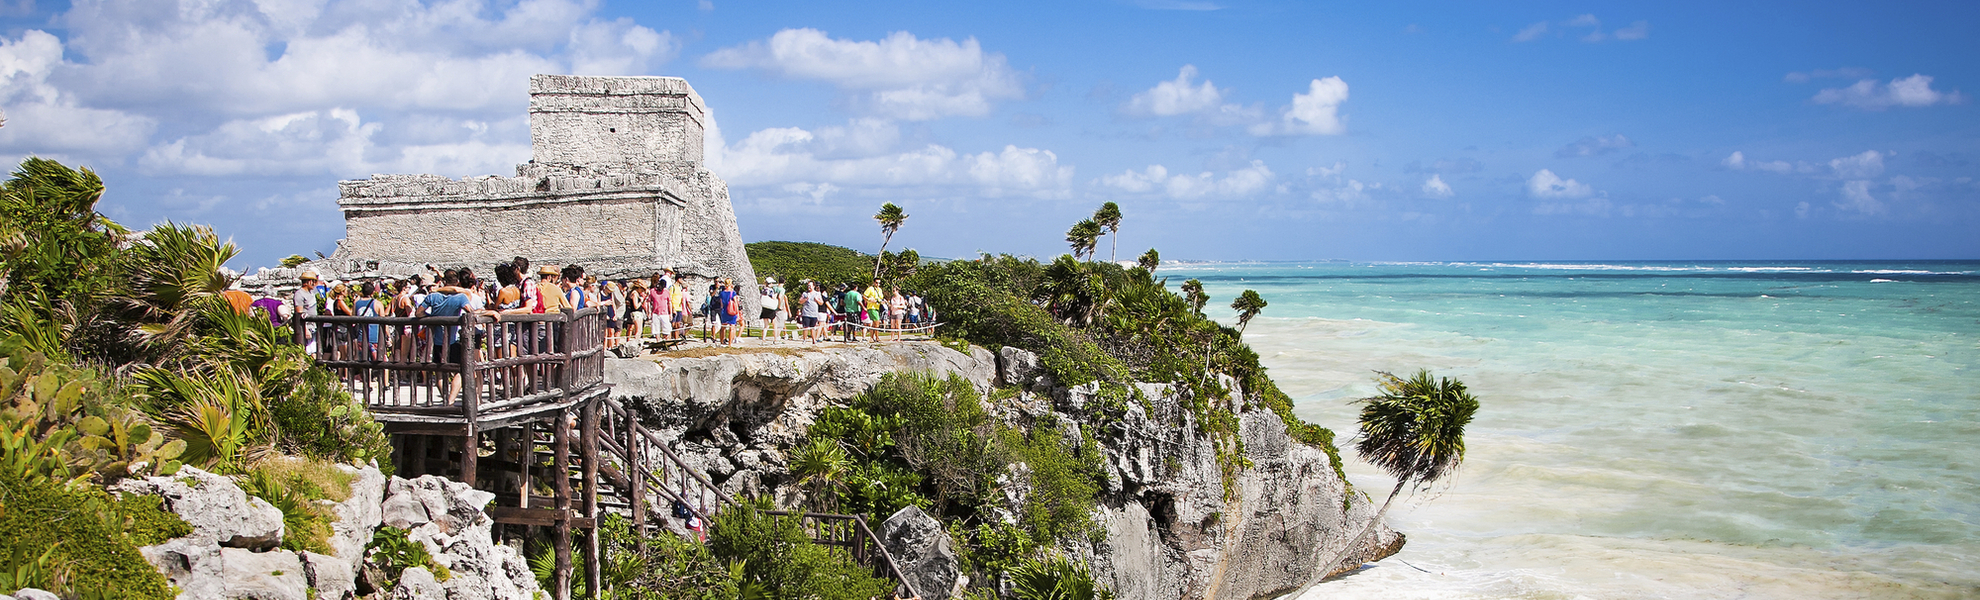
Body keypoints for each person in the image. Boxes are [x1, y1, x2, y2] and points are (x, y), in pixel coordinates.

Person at [292, 271, 320, 351]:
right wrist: (305, 329)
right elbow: (299, 313)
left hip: (313, 326)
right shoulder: (299, 294)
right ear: (308, 282)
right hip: (306, 327)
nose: (314, 283)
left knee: (314, 351)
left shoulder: (311, 293)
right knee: (308, 351)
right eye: (313, 281)